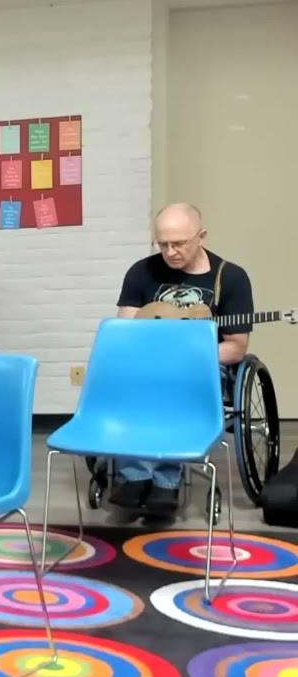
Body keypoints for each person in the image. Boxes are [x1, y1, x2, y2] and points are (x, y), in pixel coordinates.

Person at [114, 202, 254, 513]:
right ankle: (135, 476)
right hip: (148, 364)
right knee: (124, 382)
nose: (170, 251)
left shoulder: (230, 278)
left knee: (174, 389)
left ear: (201, 236)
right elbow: (125, 331)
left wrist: (189, 358)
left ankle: (166, 481)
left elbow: (236, 347)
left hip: (203, 368)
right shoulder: (141, 272)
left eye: (179, 243)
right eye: (162, 244)